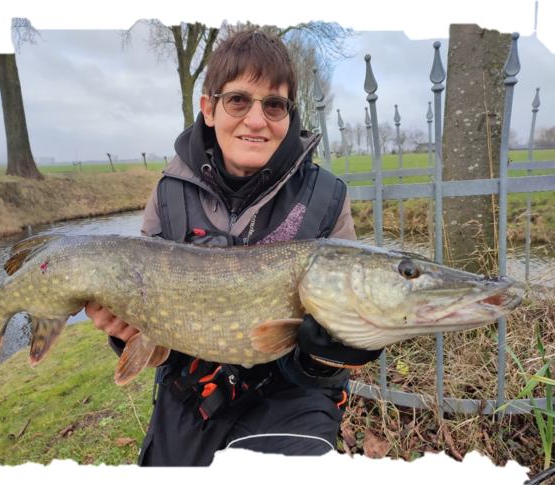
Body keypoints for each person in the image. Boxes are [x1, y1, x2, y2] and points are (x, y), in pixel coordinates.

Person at [86, 29, 383, 469]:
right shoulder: (168, 194)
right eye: (238, 100)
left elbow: (335, 351)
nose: (256, 120)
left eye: (274, 105)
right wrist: (123, 328)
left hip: (292, 397)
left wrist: (327, 354)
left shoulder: (327, 198)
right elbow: (146, 316)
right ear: (209, 108)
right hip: (190, 392)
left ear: (289, 115)